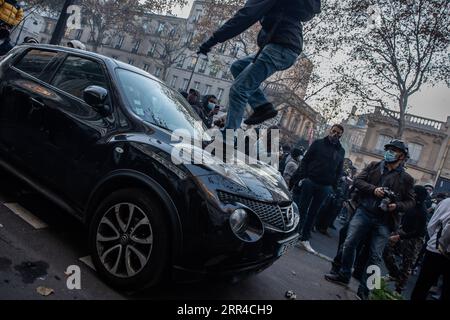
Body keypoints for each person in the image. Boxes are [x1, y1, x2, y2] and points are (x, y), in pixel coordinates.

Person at [197, 0, 321, 131]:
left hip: (280, 48)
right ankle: (262, 106)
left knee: (239, 90)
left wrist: (212, 41)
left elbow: (245, 16)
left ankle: (226, 141)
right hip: (284, 47)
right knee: (238, 67)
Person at [325, 139, 415, 300]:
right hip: (364, 212)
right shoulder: (374, 166)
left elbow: (411, 202)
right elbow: (358, 181)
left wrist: (397, 205)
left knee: (375, 256)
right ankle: (343, 274)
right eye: (389, 149)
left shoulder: (406, 178)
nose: (390, 152)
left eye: (394, 150)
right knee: (349, 243)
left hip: (385, 222)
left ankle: (365, 291)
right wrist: (374, 190)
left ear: (402, 156)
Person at [290, 124, 345, 253]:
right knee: (302, 209)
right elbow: (305, 160)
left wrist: (333, 186)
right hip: (310, 181)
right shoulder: (318, 143)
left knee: (313, 213)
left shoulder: (341, 151)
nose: (335, 134)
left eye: (338, 133)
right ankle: (294, 235)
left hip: (325, 186)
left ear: (341, 135)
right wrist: (304, 177)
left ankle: (305, 239)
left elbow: (339, 170)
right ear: (330, 131)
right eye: (334, 131)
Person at [383, 185, 428, 294]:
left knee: (407, 265)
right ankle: (394, 273)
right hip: (403, 231)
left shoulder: (422, 211)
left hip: (415, 239)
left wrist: (399, 237)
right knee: (386, 247)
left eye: (413, 192)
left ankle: (398, 290)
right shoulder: (410, 204)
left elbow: (418, 232)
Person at [411, 198, 450, 300]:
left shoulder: (447, 202)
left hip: (436, 249)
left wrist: (436, 240)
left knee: (422, 286)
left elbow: (431, 225)